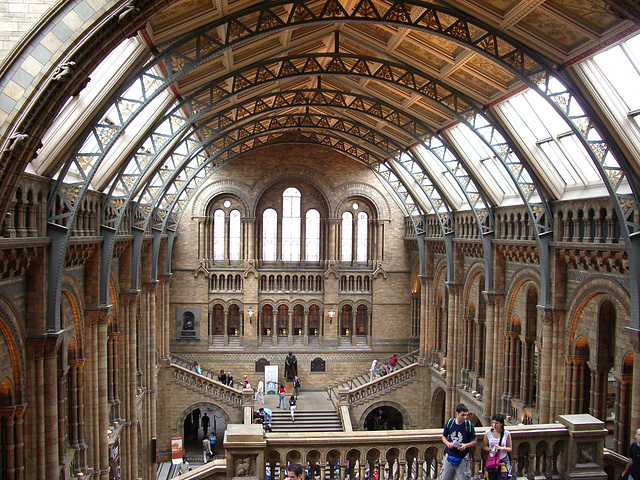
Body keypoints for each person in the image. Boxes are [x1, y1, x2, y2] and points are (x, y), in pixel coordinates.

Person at [441, 403, 477, 480]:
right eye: (463, 415)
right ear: (457, 413)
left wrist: (465, 445)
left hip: (463, 458)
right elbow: (443, 437)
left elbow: (475, 441)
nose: (465, 417)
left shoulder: (468, 425)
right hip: (449, 456)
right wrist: (448, 443)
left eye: (466, 415)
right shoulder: (450, 423)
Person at [482, 413, 512, 480]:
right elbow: (484, 446)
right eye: (493, 423)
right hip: (492, 460)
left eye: (497, 423)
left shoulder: (506, 434)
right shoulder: (488, 433)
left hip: (502, 460)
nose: (494, 425)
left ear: (501, 424)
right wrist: (490, 450)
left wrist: (501, 448)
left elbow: (510, 448)